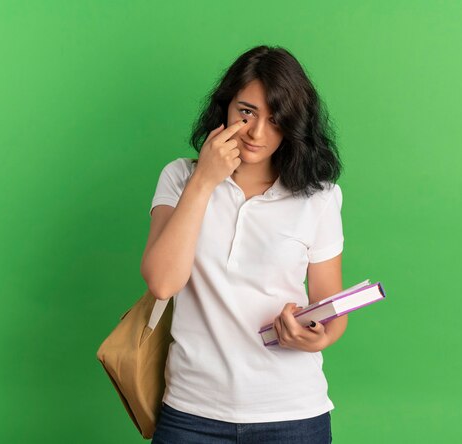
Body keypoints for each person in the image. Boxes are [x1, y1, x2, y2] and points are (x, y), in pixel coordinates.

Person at [140, 45, 347, 444]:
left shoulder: (319, 196)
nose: (256, 133)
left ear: (293, 125)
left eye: (276, 119)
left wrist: (317, 335)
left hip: (293, 414)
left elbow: (330, 305)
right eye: (246, 112)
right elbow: (163, 283)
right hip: (191, 412)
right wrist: (204, 182)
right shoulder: (179, 177)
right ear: (226, 108)